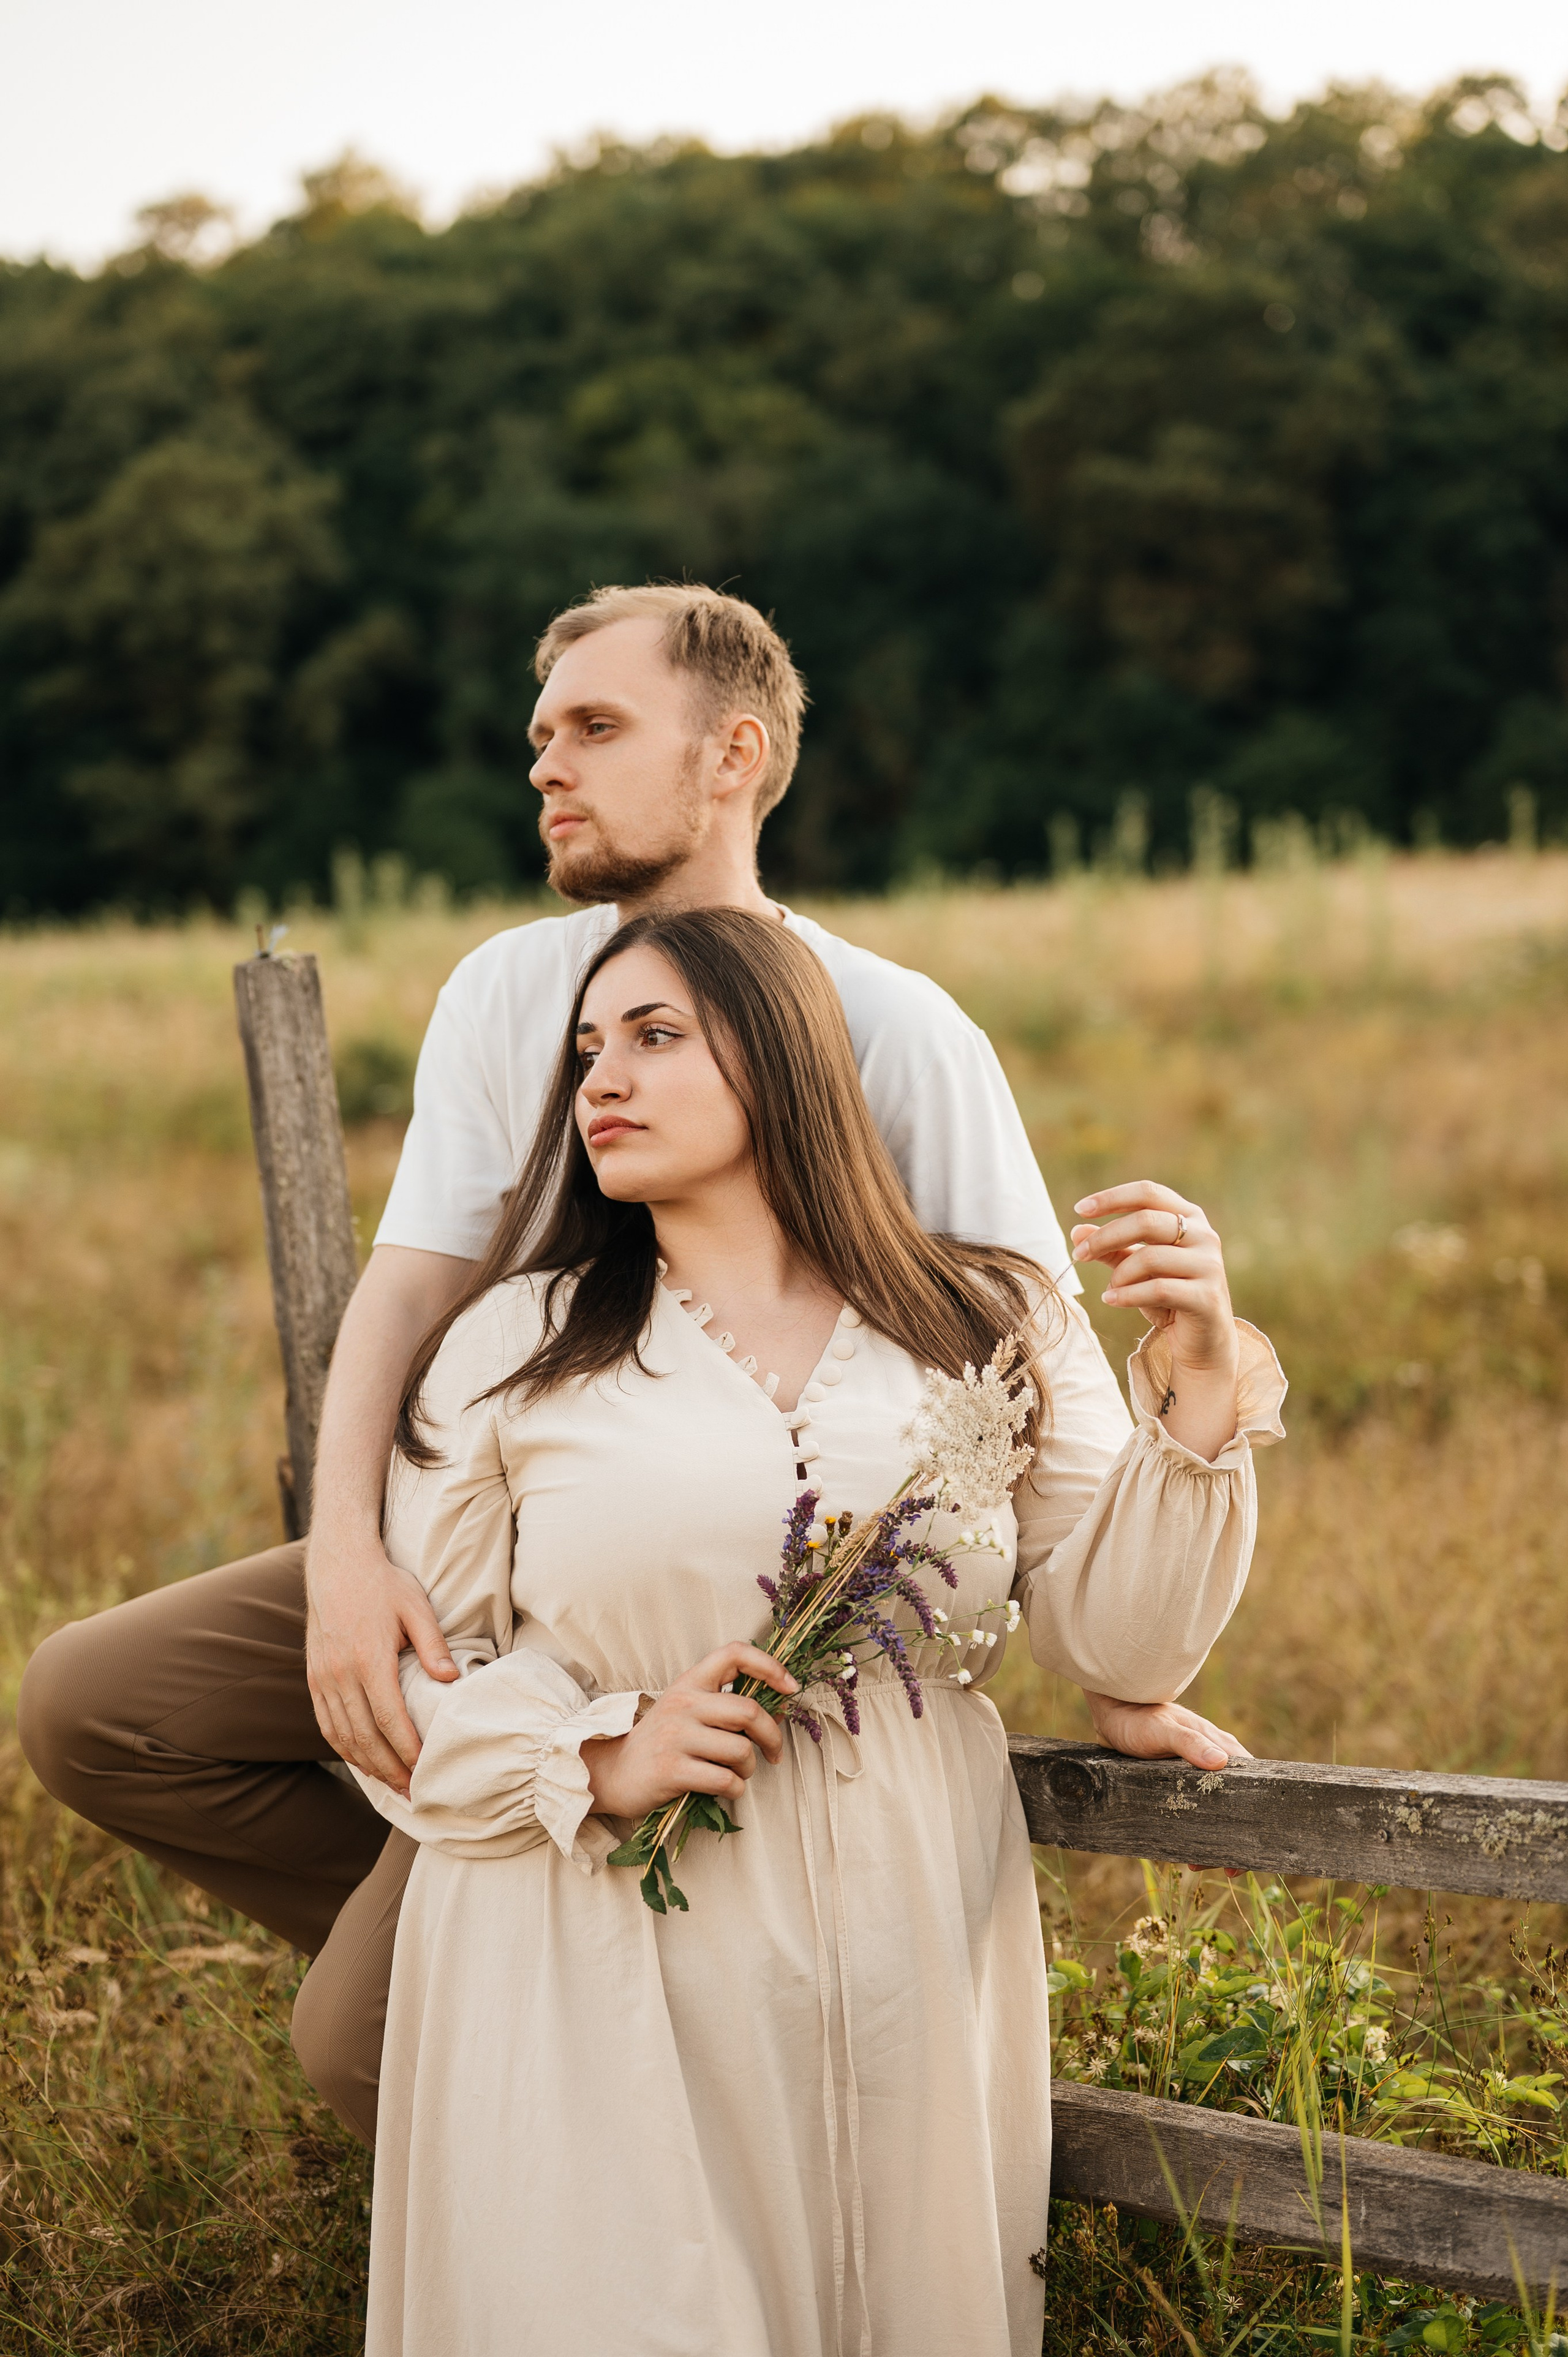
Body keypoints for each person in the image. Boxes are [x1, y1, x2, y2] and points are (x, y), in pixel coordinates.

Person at [18, 583, 1246, 2148]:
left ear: (735, 754)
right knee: (96, 1704)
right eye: (540, 736)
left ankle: (583, 1998)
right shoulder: (510, 990)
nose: (548, 766)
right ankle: (554, 1936)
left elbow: (1021, 1383)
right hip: (502, 1542)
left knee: (356, 2043)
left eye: (595, 728)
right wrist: (344, 1557)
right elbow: (400, 1303)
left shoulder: (893, 1027)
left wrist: (1123, 1670)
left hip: (747, 1579)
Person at [345, 903, 1284, 2357]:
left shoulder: (987, 1319)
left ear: (785, 1056)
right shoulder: (510, 1347)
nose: (600, 1078)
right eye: (587, 1048)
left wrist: (1204, 1372)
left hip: (916, 1931)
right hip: (600, 1954)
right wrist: (596, 1752)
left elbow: (1129, 1645)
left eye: (655, 1037)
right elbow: (401, 1698)